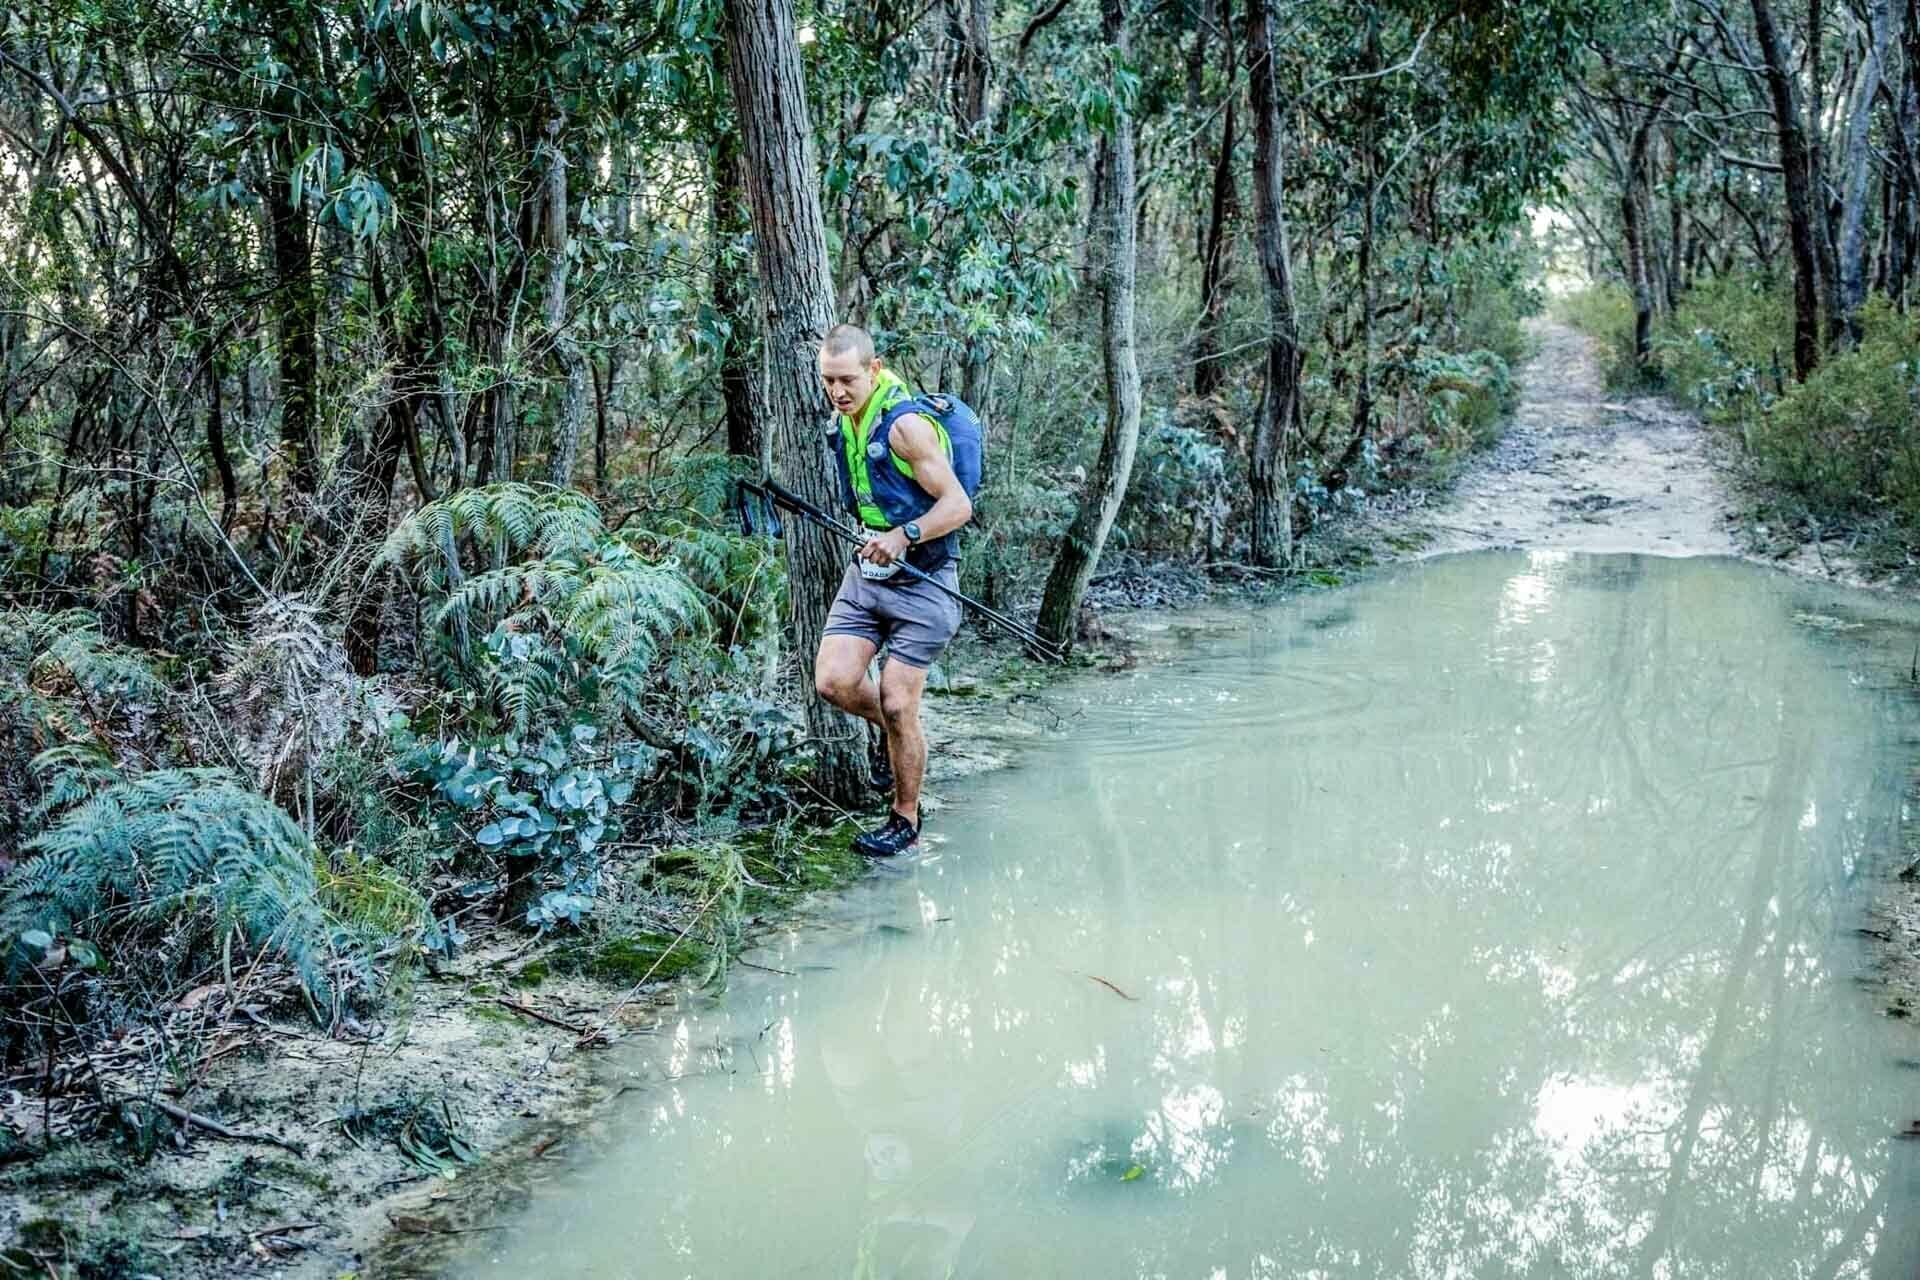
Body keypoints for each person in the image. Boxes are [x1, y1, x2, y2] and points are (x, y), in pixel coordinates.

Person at [812, 323, 974, 857]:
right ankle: (895, 736)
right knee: (834, 682)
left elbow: (957, 506)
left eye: (847, 380)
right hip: (867, 577)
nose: (838, 392)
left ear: (873, 370)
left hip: (925, 582)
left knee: (900, 702)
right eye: (829, 380)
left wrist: (903, 536)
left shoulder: (905, 427)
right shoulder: (844, 421)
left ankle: (905, 819)